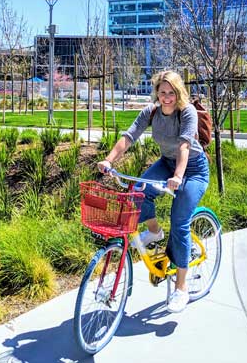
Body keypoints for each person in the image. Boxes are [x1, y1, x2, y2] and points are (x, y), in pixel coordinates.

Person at [98, 70, 209, 313]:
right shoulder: (151, 112)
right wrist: (108, 161)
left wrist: (178, 176)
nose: (167, 97)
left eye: (171, 93)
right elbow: (129, 137)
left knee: (179, 222)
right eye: (162, 92)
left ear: (178, 93)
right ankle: (155, 232)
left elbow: (184, 146)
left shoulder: (186, 112)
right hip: (167, 164)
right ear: (156, 93)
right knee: (138, 191)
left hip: (193, 169)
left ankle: (181, 289)